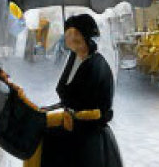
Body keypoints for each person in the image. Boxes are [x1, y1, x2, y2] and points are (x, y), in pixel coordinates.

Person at [39, 13, 124, 167]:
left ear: (86, 36)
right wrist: (52, 108)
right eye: (68, 34)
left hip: (90, 137)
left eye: (76, 34)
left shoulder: (97, 64)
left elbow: (94, 106)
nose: (71, 38)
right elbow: (68, 97)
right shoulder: (73, 58)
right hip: (71, 128)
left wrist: (73, 115)